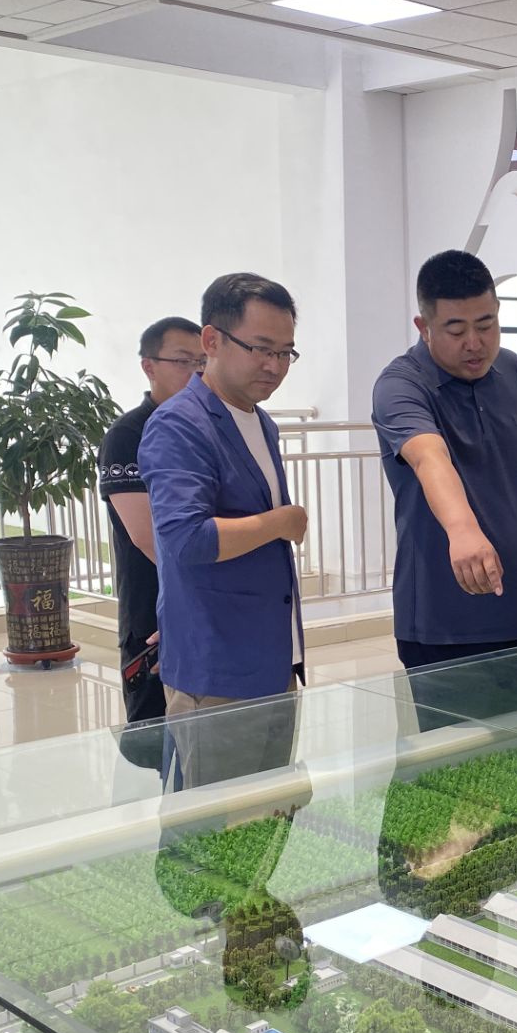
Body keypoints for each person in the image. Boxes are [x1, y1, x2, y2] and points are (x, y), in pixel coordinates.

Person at [371, 250, 517, 723]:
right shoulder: (401, 385)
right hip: (445, 626)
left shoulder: (513, 372)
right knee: (457, 763)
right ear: (424, 327)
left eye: (487, 324)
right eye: (456, 330)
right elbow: (428, 455)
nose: (475, 343)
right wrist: (463, 530)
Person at [140, 273, 307, 787]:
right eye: (261, 349)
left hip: (271, 660)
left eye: (285, 352)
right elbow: (187, 539)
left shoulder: (260, 420)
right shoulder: (180, 424)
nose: (274, 366)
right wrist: (280, 522)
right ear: (211, 340)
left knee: (268, 815)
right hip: (217, 671)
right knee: (213, 825)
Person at [99, 316, 201, 763]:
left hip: (205, 602)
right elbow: (146, 537)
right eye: (183, 361)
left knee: (210, 738)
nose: (195, 373)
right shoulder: (127, 436)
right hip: (154, 605)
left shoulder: (207, 427)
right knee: (158, 744)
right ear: (149, 366)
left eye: (203, 362)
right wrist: (206, 591)